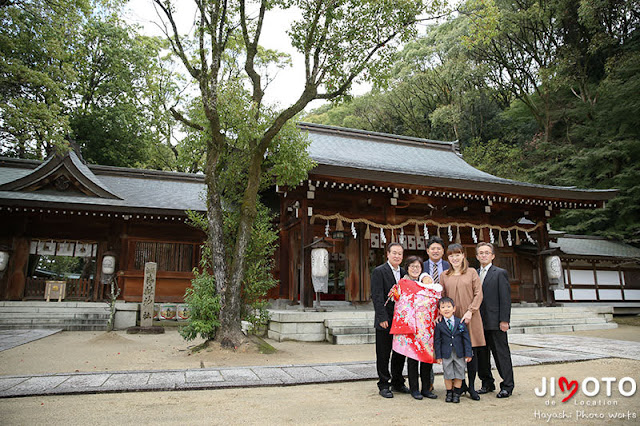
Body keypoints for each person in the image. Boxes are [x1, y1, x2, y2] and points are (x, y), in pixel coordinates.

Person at [388, 256, 440, 400]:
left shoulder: (428, 284)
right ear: (407, 268)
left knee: (427, 358)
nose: (415, 269)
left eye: (418, 267)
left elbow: (436, 300)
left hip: (426, 327)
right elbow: (399, 303)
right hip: (411, 326)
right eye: (412, 266)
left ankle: (426, 388)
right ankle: (414, 389)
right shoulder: (402, 283)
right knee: (412, 359)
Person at [440, 243, 484, 401]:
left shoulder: (472, 272)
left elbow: (478, 293)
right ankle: (459, 385)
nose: (455, 258)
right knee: (455, 353)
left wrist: (471, 311)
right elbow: (442, 296)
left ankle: (471, 386)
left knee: (470, 352)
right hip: (452, 318)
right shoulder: (444, 275)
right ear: (448, 258)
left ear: (463, 255)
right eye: (451, 255)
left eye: (457, 254)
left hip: (470, 317)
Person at [476, 242, 515, 398]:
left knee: (501, 354)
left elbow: (505, 299)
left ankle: (507, 385)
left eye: (487, 252)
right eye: (481, 253)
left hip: (496, 321)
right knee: (481, 355)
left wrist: (504, 320)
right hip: (479, 321)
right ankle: (487, 383)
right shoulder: (474, 273)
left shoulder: (499, 273)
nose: (484, 255)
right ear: (477, 256)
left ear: (492, 255)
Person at [371, 242, 408, 398]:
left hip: (401, 319)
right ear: (387, 254)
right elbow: (377, 295)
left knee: (400, 352)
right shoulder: (379, 271)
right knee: (383, 353)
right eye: (394, 253)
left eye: (400, 253)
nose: (397, 256)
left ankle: (398, 381)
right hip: (385, 318)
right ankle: (384, 383)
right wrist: (382, 317)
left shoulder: (405, 273)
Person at [434, 297, 473, 403]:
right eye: (443, 307)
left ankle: (456, 393)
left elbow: (466, 339)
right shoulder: (439, 324)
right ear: (439, 311)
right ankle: (449, 392)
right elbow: (437, 341)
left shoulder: (460, 322)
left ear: (454, 308)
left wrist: (468, 353)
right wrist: (438, 356)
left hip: (459, 352)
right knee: (448, 373)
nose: (446, 309)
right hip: (446, 353)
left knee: (459, 372)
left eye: (448, 307)